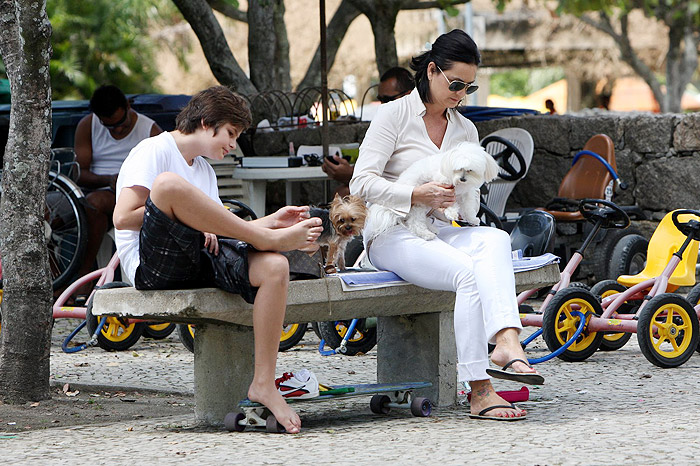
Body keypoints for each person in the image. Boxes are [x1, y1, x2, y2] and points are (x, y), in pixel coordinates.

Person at [350, 30, 544, 421]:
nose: (461, 94)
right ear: (433, 71)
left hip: (436, 230)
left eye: (468, 87)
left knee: (494, 239)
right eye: (455, 84)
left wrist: (452, 203)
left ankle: (506, 340)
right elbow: (360, 183)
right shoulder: (393, 115)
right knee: (466, 274)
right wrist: (415, 196)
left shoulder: (464, 130)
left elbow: (463, 198)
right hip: (390, 233)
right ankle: (480, 390)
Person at [113, 86, 323, 433]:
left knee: (275, 267)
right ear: (207, 123)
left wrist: (271, 219)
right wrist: (186, 215)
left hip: (195, 257)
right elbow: (122, 217)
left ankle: (263, 382)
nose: (232, 144)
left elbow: (219, 230)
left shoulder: (205, 172)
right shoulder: (153, 150)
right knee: (167, 186)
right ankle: (269, 238)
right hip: (153, 264)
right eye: (230, 134)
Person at [73, 85, 162, 295]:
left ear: (128, 106)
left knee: (95, 204)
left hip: (133, 196)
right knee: (49, 217)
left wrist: (124, 181)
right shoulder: (87, 125)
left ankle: (84, 275)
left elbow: (161, 175)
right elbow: (79, 174)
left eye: (121, 123)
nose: (118, 130)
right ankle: (60, 281)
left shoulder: (150, 130)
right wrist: (108, 179)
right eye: (109, 127)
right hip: (96, 190)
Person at [322, 67, 414, 197]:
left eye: (388, 100)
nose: (383, 105)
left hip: (406, 192)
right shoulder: (386, 120)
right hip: (387, 189)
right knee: (341, 194)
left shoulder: (414, 123)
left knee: (344, 195)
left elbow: (398, 174)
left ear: (408, 95)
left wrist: (350, 173)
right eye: (381, 100)